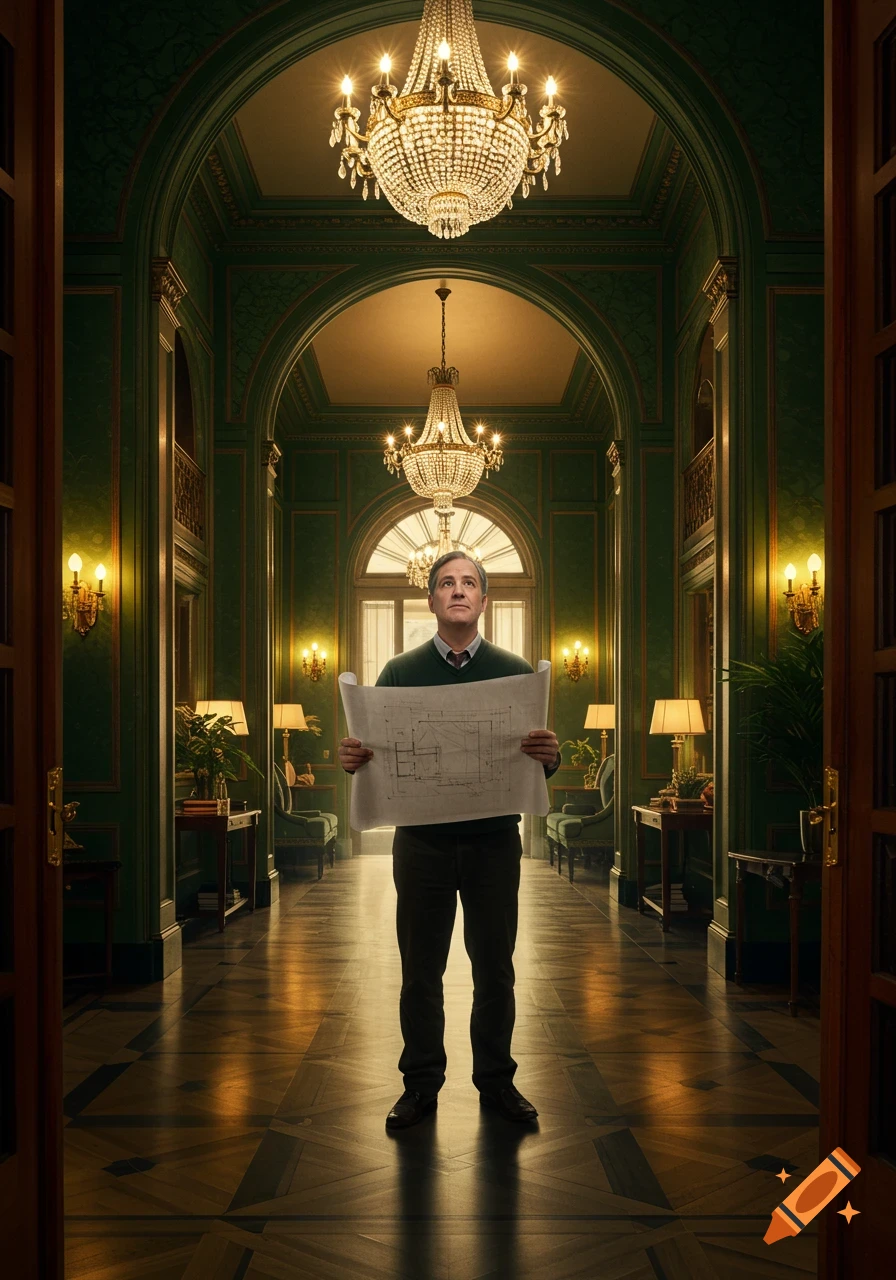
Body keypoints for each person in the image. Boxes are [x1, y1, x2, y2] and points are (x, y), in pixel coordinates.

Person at [338, 551, 560, 1130]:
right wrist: (351, 758)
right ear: (431, 600)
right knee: (420, 970)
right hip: (422, 849)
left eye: (468, 583)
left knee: (496, 969)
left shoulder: (516, 672)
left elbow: (533, 762)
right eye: (446, 583)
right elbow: (375, 757)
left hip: (493, 845)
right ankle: (420, 1084)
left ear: (483, 600)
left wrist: (550, 757)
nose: (457, 591)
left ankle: (497, 1082)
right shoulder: (396, 674)